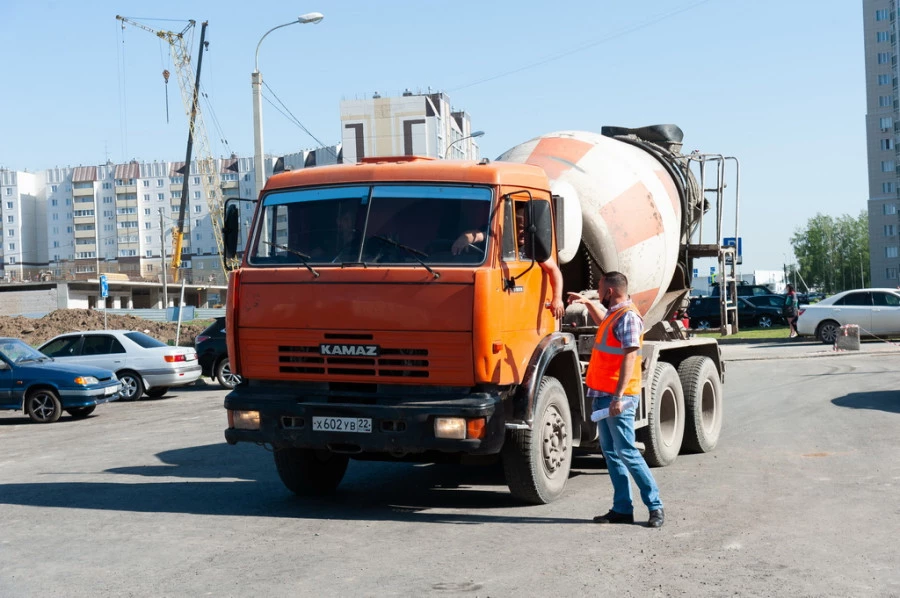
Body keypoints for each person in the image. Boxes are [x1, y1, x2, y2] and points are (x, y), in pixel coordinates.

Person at [568, 271, 665, 528]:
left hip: (616, 396)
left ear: (610, 291)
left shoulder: (628, 317)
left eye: (599, 289)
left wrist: (619, 397)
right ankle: (622, 508)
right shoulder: (614, 314)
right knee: (611, 451)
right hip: (602, 394)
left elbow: (630, 357)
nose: (598, 293)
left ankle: (655, 506)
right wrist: (588, 303)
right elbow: (604, 326)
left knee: (627, 451)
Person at [451, 205, 565, 319]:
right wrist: (465, 238)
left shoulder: (535, 247)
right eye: (519, 227)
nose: (523, 232)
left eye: (526, 229)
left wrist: (557, 298)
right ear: (511, 225)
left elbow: (553, 270)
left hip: (525, 308)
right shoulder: (499, 239)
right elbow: (479, 235)